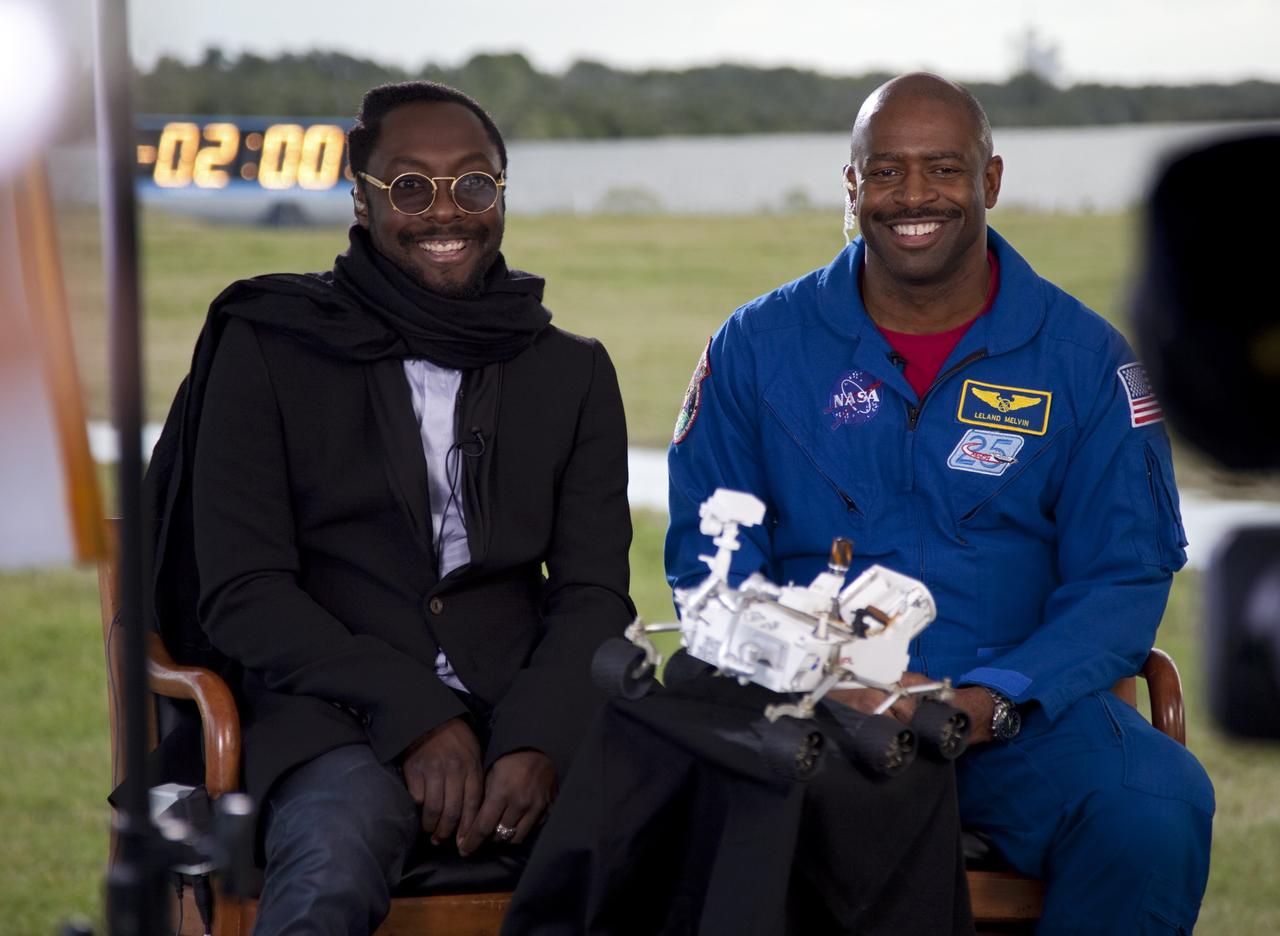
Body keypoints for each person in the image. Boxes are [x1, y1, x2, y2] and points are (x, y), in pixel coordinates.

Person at [665, 73, 1214, 934]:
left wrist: (990, 701)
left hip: (1017, 719)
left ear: (990, 181)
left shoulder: (1082, 357)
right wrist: (829, 681)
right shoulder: (757, 346)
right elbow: (711, 564)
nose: (912, 195)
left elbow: (1124, 576)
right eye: (885, 171)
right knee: (690, 815)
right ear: (851, 186)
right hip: (818, 713)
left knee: (1152, 802)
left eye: (944, 170)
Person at [144, 81, 634, 934]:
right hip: (329, 714)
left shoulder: (572, 372)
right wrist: (415, 714)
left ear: (503, 193)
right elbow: (245, 591)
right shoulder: (266, 346)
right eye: (410, 187)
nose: (447, 212)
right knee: (337, 851)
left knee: (686, 827)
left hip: (519, 701)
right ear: (362, 203)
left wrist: (537, 740)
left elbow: (593, 594)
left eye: (473, 184)